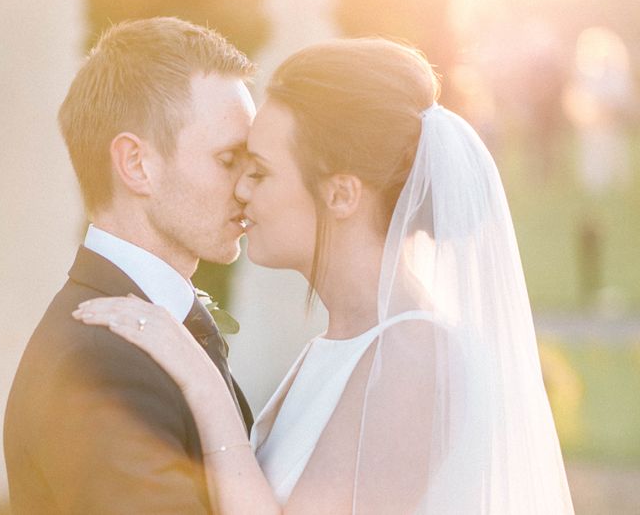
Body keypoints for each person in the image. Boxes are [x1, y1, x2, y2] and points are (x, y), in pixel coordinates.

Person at [74, 38, 575, 514]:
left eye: (261, 171)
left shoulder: (416, 358)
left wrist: (201, 381)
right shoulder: (347, 344)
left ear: (340, 194)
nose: (241, 190)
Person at [4, 17, 256, 514]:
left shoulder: (144, 332)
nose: (248, 187)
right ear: (137, 164)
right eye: (229, 159)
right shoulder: (99, 362)